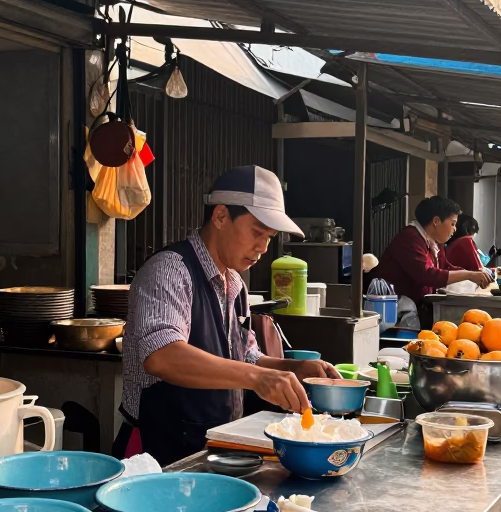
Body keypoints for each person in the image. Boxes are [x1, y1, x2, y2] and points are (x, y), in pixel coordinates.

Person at [118, 166, 341, 466]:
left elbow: (246, 357)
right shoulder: (170, 271)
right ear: (221, 216)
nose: (263, 248)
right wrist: (258, 378)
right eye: (257, 232)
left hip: (213, 450)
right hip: (158, 456)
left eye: (270, 237)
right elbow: (162, 356)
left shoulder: (235, 285)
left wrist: (295, 367)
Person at [374, 196, 493, 327]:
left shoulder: (435, 242)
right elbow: (425, 274)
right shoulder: (410, 238)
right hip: (396, 312)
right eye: (452, 224)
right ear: (436, 221)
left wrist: (472, 274)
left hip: (419, 307)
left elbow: (444, 267)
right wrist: (469, 275)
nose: (455, 229)